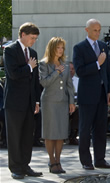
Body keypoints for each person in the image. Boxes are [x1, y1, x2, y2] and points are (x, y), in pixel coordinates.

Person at [73, 18, 110, 170]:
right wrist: (97, 63)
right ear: (87, 30)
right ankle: (86, 161)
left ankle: (100, 159)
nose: (97, 33)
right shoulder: (79, 48)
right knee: (85, 129)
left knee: (101, 128)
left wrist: (109, 90)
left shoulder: (103, 46)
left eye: (99, 30)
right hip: (87, 95)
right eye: (94, 30)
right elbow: (80, 71)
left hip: (102, 94)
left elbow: (108, 72)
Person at [3, 22, 42, 179]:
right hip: (14, 102)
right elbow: (13, 74)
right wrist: (29, 67)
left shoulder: (32, 52)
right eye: (32, 38)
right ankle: (16, 168)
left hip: (29, 102)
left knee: (27, 135)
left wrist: (37, 101)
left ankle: (25, 165)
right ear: (23, 35)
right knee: (15, 136)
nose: (33, 41)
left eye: (35, 38)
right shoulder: (10, 51)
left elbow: (35, 80)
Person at [39, 37, 75, 174]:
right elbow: (44, 83)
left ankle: (58, 161)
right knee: (50, 133)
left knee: (60, 133)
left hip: (63, 102)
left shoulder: (65, 64)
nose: (60, 50)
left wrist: (71, 101)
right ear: (52, 48)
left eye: (62, 48)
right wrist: (57, 72)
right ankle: (51, 160)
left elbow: (69, 85)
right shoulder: (44, 64)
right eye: (58, 47)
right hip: (49, 102)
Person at [68, 62, 79, 145]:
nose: (71, 71)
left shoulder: (78, 81)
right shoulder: (60, 80)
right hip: (63, 107)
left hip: (76, 106)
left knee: (79, 111)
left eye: (73, 69)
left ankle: (73, 136)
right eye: (69, 69)